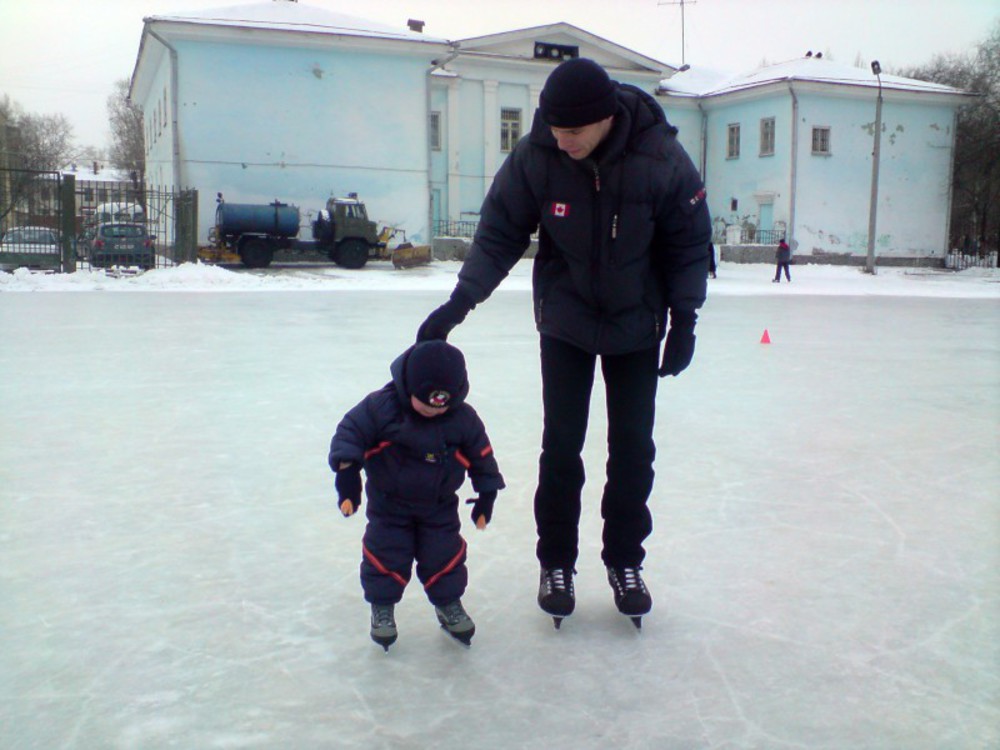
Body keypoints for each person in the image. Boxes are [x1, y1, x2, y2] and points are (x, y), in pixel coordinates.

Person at [416, 58, 711, 629]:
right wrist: (460, 302)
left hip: (635, 326)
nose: (561, 140)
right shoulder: (538, 157)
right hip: (567, 321)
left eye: (572, 131)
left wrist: (685, 319)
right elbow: (501, 230)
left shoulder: (660, 157)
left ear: (604, 120)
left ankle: (626, 562)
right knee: (561, 449)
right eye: (553, 128)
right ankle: (556, 564)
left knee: (632, 451)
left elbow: (689, 242)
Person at [328, 340, 504, 650]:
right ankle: (382, 608)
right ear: (409, 387)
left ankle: (448, 603)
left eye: (443, 405)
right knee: (385, 554)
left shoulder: (462, 418)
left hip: (439, 507)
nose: (436, 411)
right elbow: (350, 432)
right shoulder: (382, 408)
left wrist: (487, 492)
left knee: (444, 555)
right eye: (427, 403)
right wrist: (347, 475)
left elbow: (481, 454)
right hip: (389, 505)